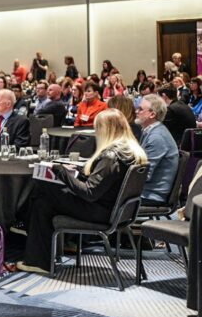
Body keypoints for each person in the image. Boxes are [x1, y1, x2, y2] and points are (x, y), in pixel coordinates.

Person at [16, 109, 148, 274]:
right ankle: (36, 258)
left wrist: (61, 171)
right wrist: (75, 174)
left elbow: (90, 193)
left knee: (42, 186)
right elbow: (102, 185)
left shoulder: (110, 156)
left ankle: (22, 222)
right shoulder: (131, 152)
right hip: (117, 210)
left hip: (100, 212)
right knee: (42, 204)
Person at [136, 94, 179, 205]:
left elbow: (144, 175)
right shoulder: (151, 131)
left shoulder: (157, 137)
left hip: (151, 195)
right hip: (147, 190)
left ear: (152, 114)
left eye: (140, 109)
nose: (136, 111)